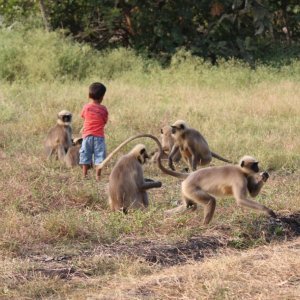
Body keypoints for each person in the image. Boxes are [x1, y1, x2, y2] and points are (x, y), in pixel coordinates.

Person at [79, 82, 108, 180]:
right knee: (99, 156)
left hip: (87, 136)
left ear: (89, 95)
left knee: (85, 154)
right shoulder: (104, 109)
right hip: (99, 137)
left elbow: (84, 117)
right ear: (102, 97)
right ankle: (98, 176)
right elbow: (104, 121)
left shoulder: (86, 107)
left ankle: (84, 175)